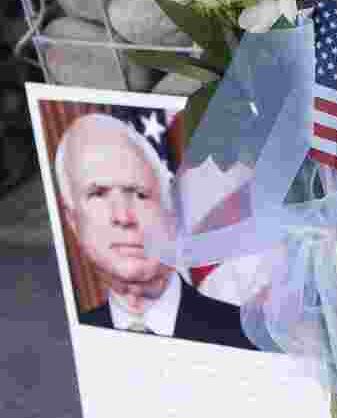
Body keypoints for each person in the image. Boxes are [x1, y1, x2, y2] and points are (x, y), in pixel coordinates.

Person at [54, 113, 258, 351]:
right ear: (72, 220)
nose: (123, 217)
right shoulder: (76, 341)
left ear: (171, 213)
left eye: (140, 194)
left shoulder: (245, 335)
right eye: (98, 193)